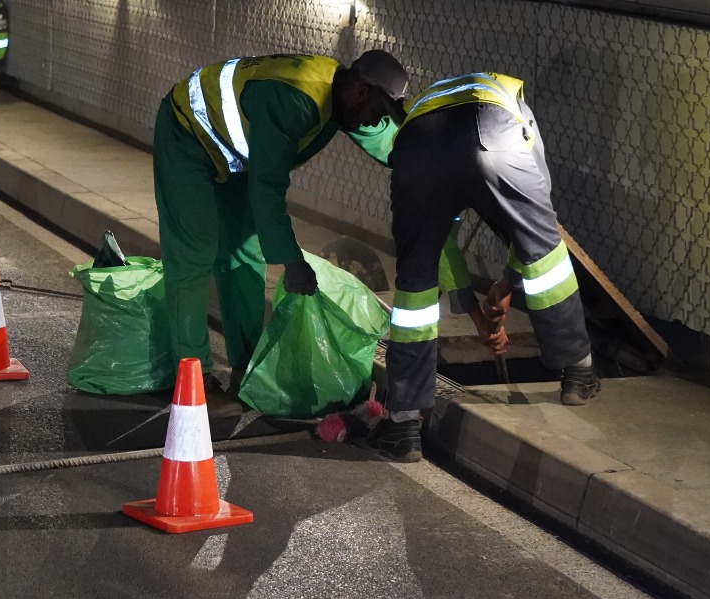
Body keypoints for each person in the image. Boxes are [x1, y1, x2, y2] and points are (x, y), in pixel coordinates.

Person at [373, 71, 598, 461]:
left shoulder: (413, 120)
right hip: (493, 138)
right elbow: (533, 218)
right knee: (546, 251)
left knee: (415, 286)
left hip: (416, 155)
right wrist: (507, 284)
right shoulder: (511, 101)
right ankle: (577, 372)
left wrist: (486, 300)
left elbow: (437, 244)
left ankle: (404, 425)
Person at [155, 51, 408, 392]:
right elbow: (267, 188)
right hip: (186, 132)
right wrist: (292, 261)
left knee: (244, 256)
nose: (372, 123)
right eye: (377, 113)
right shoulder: (295, 99)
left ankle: (247, 365)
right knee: (193, 256)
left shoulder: (340, 96)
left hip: (236, 156)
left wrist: (430, 161)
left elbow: (390, 144)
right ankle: (192, 382)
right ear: (361, 92)